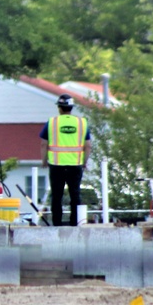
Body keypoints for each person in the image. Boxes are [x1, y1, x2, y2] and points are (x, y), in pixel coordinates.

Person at [40, 94, 91, 226]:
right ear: (71, 107)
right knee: (75, 194)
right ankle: (76, 222)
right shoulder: (82, 123)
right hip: (76, 165)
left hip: (56, 165)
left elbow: (43, 144)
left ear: (59, 108)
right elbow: (88, 145)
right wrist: (84, 161)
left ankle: (57, 222)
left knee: (56, 195)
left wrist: (44, 160)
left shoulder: (52, 122)